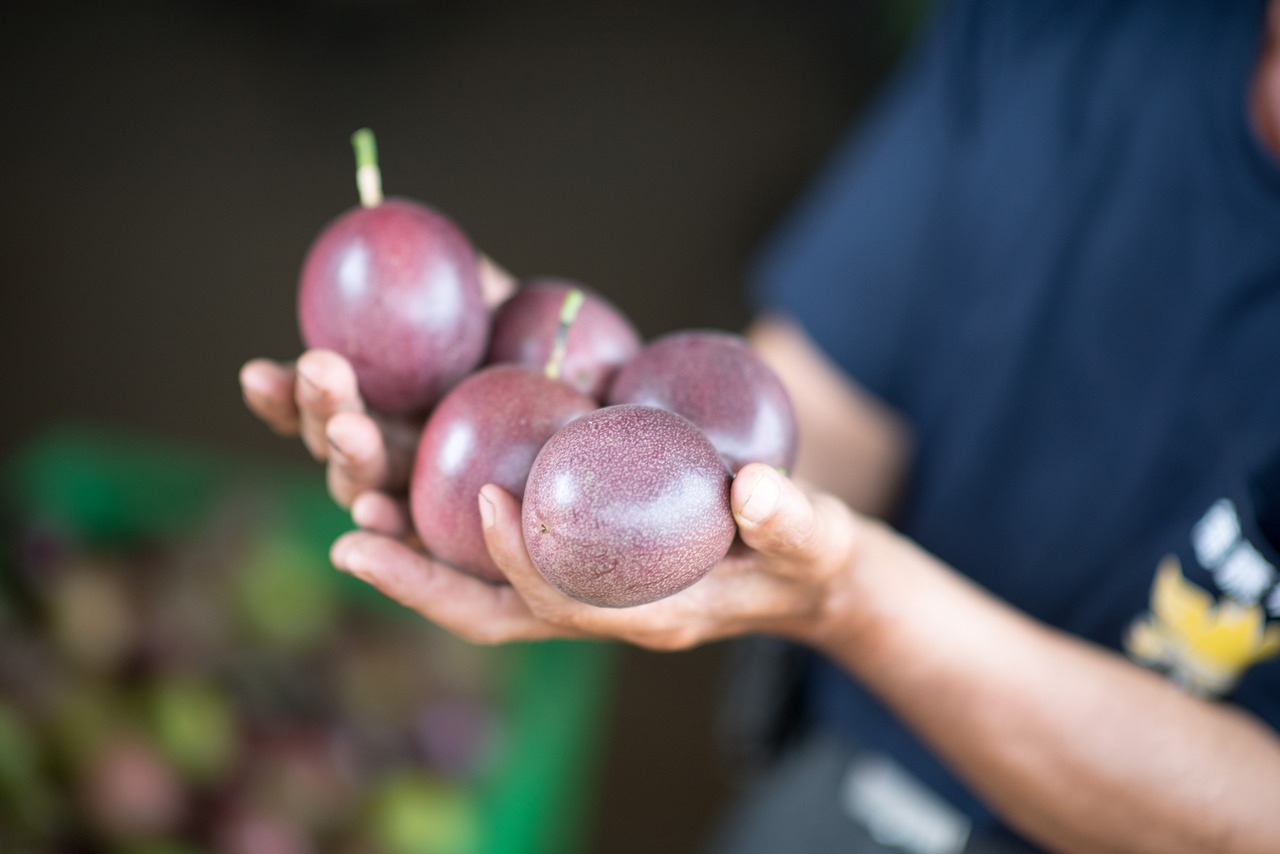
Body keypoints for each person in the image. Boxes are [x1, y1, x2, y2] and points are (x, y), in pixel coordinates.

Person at [241, 0, 1280, 850]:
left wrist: (855, 599)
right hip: (853, 765)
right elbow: (793, 424)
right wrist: (578, 406)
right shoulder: (1075, 27)